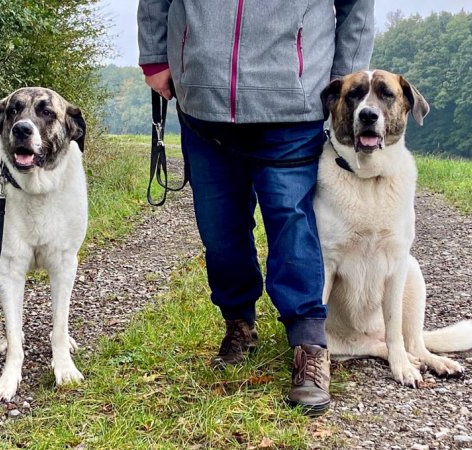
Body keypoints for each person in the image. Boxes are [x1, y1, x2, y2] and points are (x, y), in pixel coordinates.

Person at [138, 0, 375, 416]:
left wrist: (346, 74)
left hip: (294, 105)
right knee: (219, 230)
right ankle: (239, 325)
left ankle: (309, 344)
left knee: (293, 223)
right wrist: (155, 56)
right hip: (202, 103)